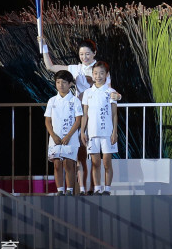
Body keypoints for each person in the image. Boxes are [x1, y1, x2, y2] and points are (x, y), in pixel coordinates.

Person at [39, 36, 121, 194]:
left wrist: (117, 96)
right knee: (80, 155)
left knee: (98, 158)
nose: (84, 57)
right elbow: (50, 66)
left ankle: (97, 188)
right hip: (79, 114)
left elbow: (110, 93)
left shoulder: (100, 70)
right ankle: (82, 188)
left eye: (88, 54)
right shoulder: (75, 69)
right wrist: (43, 46)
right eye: (81, 54)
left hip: (96, 116)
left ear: (94, 53)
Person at [80, 62, 119, 195]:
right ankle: (97, 188)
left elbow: (114, 114)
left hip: (107, 133)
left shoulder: (111, 92)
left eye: (102, 73)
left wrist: (114, 132)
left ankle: (107, 189)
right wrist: (82, 131)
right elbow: (85, 114)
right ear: (92, 74)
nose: (98, 76)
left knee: (107, 163)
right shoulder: (87, 93)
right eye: (96, 73)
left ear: (107, 75)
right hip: (92, 133)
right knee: (95, 163)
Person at [44, 70, 82, 196]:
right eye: (58, 82)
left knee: (68, 163)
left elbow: (78, 120)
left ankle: (69, 190)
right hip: (55, 138)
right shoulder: (52, 100)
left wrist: (68, 136)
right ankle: (60, 190)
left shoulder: (75, 101)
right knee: (56, 164)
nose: (61, 85)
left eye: (64, 82)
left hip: (70, 138)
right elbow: (47, 121)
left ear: (70, 84)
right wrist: (53, 135)